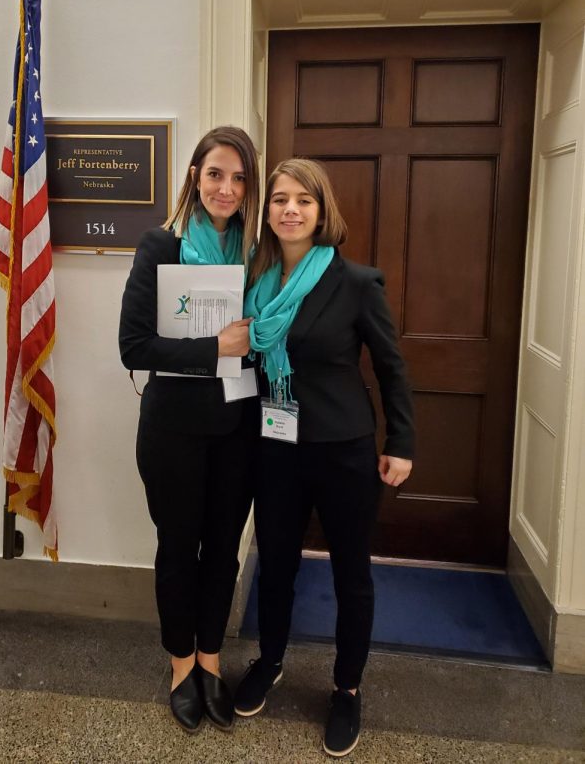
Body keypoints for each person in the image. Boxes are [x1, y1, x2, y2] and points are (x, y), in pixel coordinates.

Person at [235, 158, 414, 758]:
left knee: (350, 573)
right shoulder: (254, 281)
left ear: (322, 210)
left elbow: (390, 367)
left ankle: (347, 687)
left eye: (303, 200)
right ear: (268, 213)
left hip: (343, 449)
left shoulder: (355, 282)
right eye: (280, 199)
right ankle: (272, 660)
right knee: (277, 562)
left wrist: (402, 444)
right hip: (276, 447)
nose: (289, 209)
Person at [119, 126, 260, 733]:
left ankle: (210, 658)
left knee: (224, 550)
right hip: (174, 425)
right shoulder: (161, 247)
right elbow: (132, 346)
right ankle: (180, 665)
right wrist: (213, 348)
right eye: (214, 175)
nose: (225, 188)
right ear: (195, 179)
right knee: (179, 547)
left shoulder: (259, 256)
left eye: (237, 177)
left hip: (238, 425)